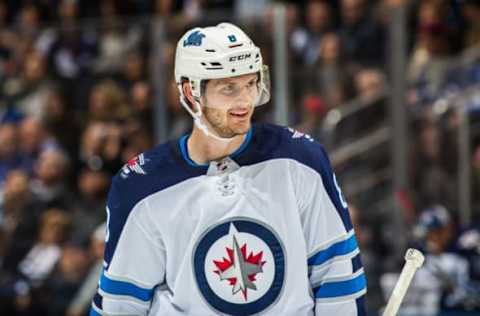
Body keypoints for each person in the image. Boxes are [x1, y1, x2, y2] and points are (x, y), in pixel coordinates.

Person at [90, 23, 367, 315]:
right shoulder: (141, 186)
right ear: (190, 91)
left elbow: (337, 270)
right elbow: (120, 304)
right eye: (229, 88)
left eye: (251, 84)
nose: (244, 101)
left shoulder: (300, 160)